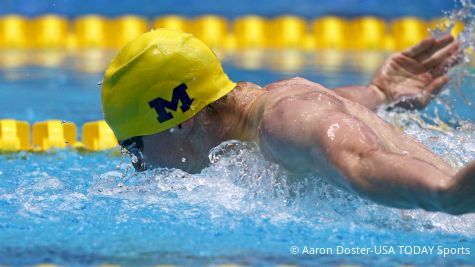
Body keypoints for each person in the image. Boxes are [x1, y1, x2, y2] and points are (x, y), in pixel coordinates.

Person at [102, 29, 474, 215]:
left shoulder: (282, 123)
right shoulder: (269, 109)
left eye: (134, 146)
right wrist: (378, 93)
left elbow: (361, 159)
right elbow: (329, 111)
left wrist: (446, 193)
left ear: (179, 121)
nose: (138, 165)